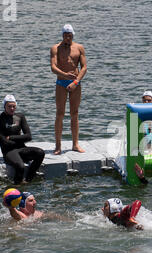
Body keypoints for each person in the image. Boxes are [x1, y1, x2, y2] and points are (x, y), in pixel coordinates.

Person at [50, 24, 88, 155]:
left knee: (75, 113)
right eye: (65, 35)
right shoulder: (55, 48)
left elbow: (84, 67)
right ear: (62, 35)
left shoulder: (79, 48)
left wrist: (76, 81)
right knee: (60, 113)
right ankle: (58, 145)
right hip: (61, 82)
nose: (67, 37)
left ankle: (75, 144)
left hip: (75, 84)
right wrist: (65, 75)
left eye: (70, 35)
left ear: (73, 35)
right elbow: (53, 67)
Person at [0, 94, 45, 184]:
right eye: (9, 106)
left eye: (14, 106)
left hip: (22, 149)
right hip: (9, 152)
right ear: (4, 106)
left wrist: (11, 137)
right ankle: (17, 185)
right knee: (20, 166)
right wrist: (20, 138)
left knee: (40, 153)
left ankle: (28, 179)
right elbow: (4, 143)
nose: (12, 108)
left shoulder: (20, 117)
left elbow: (29, 136)